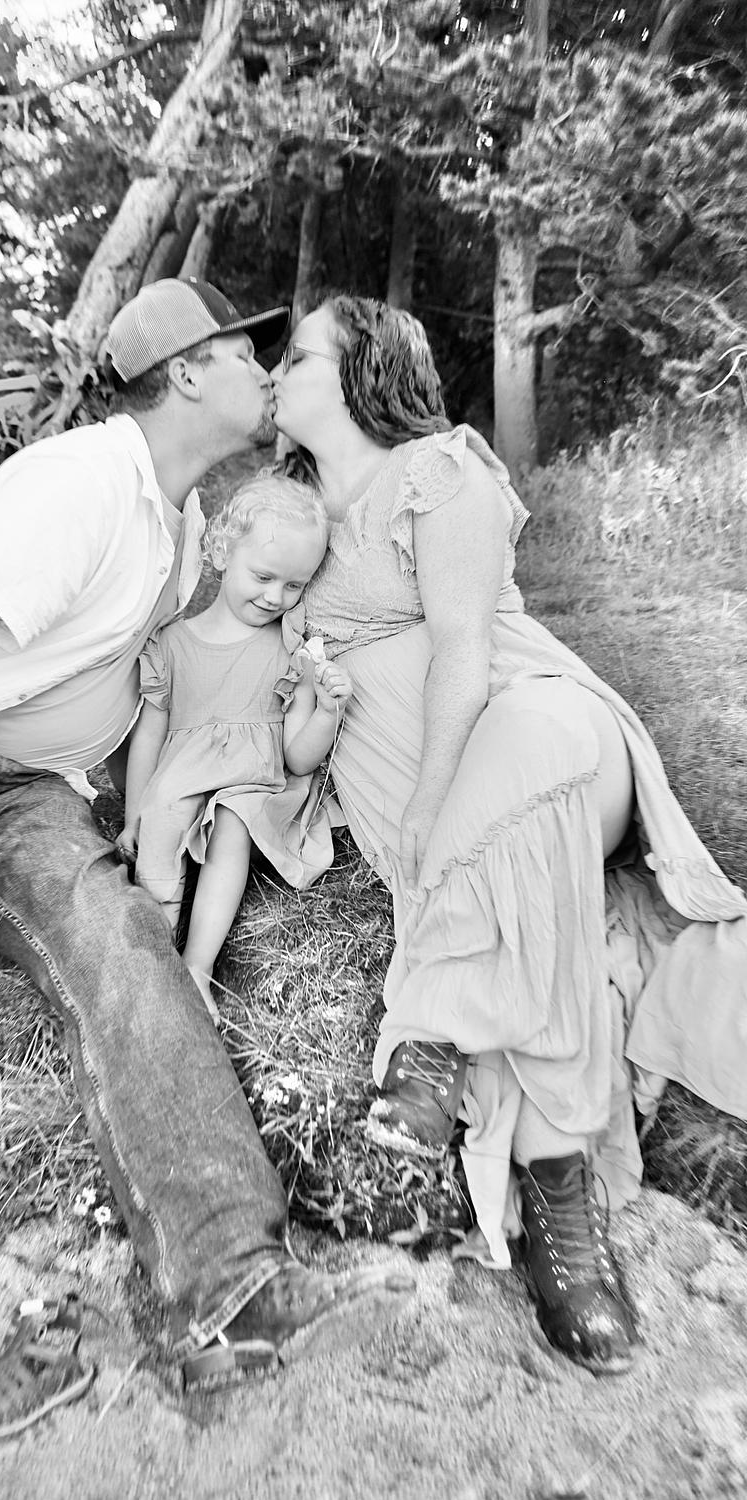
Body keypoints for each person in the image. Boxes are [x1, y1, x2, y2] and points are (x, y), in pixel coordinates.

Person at [0, 277, 417, 1425]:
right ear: (188, 371)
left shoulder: (184, 520)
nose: (265, 372)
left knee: (121, 942)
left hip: (25, 795)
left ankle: (227, 1280)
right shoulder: (80, 479)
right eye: (246, 354)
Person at [270, 292, 747, 1377]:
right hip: (426, 806)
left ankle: (444, 1050)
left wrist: (434, 805)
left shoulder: (440, 473)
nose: (277, 374)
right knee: (524, 892)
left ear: (362, 373)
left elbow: (464, 653)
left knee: (525, 770)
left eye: (296, 356)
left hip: (545, 735)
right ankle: (557, 1193)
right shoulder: (287, 514)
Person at [118, 475, 352, 1011]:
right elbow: (149, 737)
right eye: (264, 576)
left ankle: (198, 966)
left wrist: (327, 711)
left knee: (233, 818)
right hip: (183, 778)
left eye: (293, 586)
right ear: (223, 552)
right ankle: (152, 957)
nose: (275, 597)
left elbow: (297, 758)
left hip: (256, 785)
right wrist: (134, 816)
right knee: (162, 819)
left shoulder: (291, 651)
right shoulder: (171, 644)